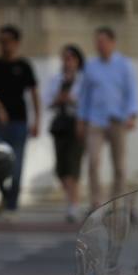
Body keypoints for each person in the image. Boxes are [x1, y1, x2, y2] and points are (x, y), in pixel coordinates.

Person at [0, 25, 41, 212]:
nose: (4, 45)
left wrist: (37, 120)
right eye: (1, 41)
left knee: (16, 164)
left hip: (19, 122)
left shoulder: (24, 66)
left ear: (16, 43)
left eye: (7, 41)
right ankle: (4, 194)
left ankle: (12, 203)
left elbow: (34, 94)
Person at [77, 26, 138, 207]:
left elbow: (131, 92)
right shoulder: (91, 66)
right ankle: (96, 202)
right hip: (95, 121)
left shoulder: (124, 65)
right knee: (93, 162)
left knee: (119, 165)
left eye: (103, 41)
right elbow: (84, 95)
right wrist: (81, 119)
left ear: (112, 43)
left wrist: (132, 114)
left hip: (117, 120)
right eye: (97, 42)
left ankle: (116, 201)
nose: (100, 45)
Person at [47, 44, 87, 221]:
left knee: (73, 165)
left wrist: (71, 99)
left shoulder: (83, 80)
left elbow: (86, 102)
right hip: (60, 124)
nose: (67, 62)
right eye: (65, 58)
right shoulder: (57, 79)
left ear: (78, 60)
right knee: (61, 168)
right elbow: (47, 101)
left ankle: (74, 204)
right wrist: (58, 99)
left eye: (71, 58)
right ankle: (71, 200)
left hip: (76, 123)